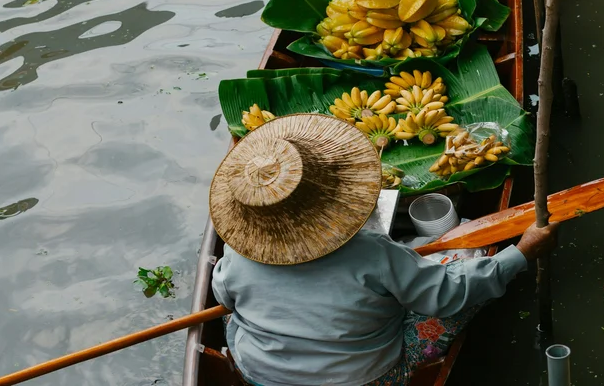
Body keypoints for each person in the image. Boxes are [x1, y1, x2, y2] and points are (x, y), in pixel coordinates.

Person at [209, 114, 558, 386]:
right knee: (469, 264)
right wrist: (521, 252)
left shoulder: (238, 253)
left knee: (235, 314)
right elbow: (446, 294)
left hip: (259, 373)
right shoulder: (371, 252)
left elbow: (224, 295)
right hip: (364, 378)